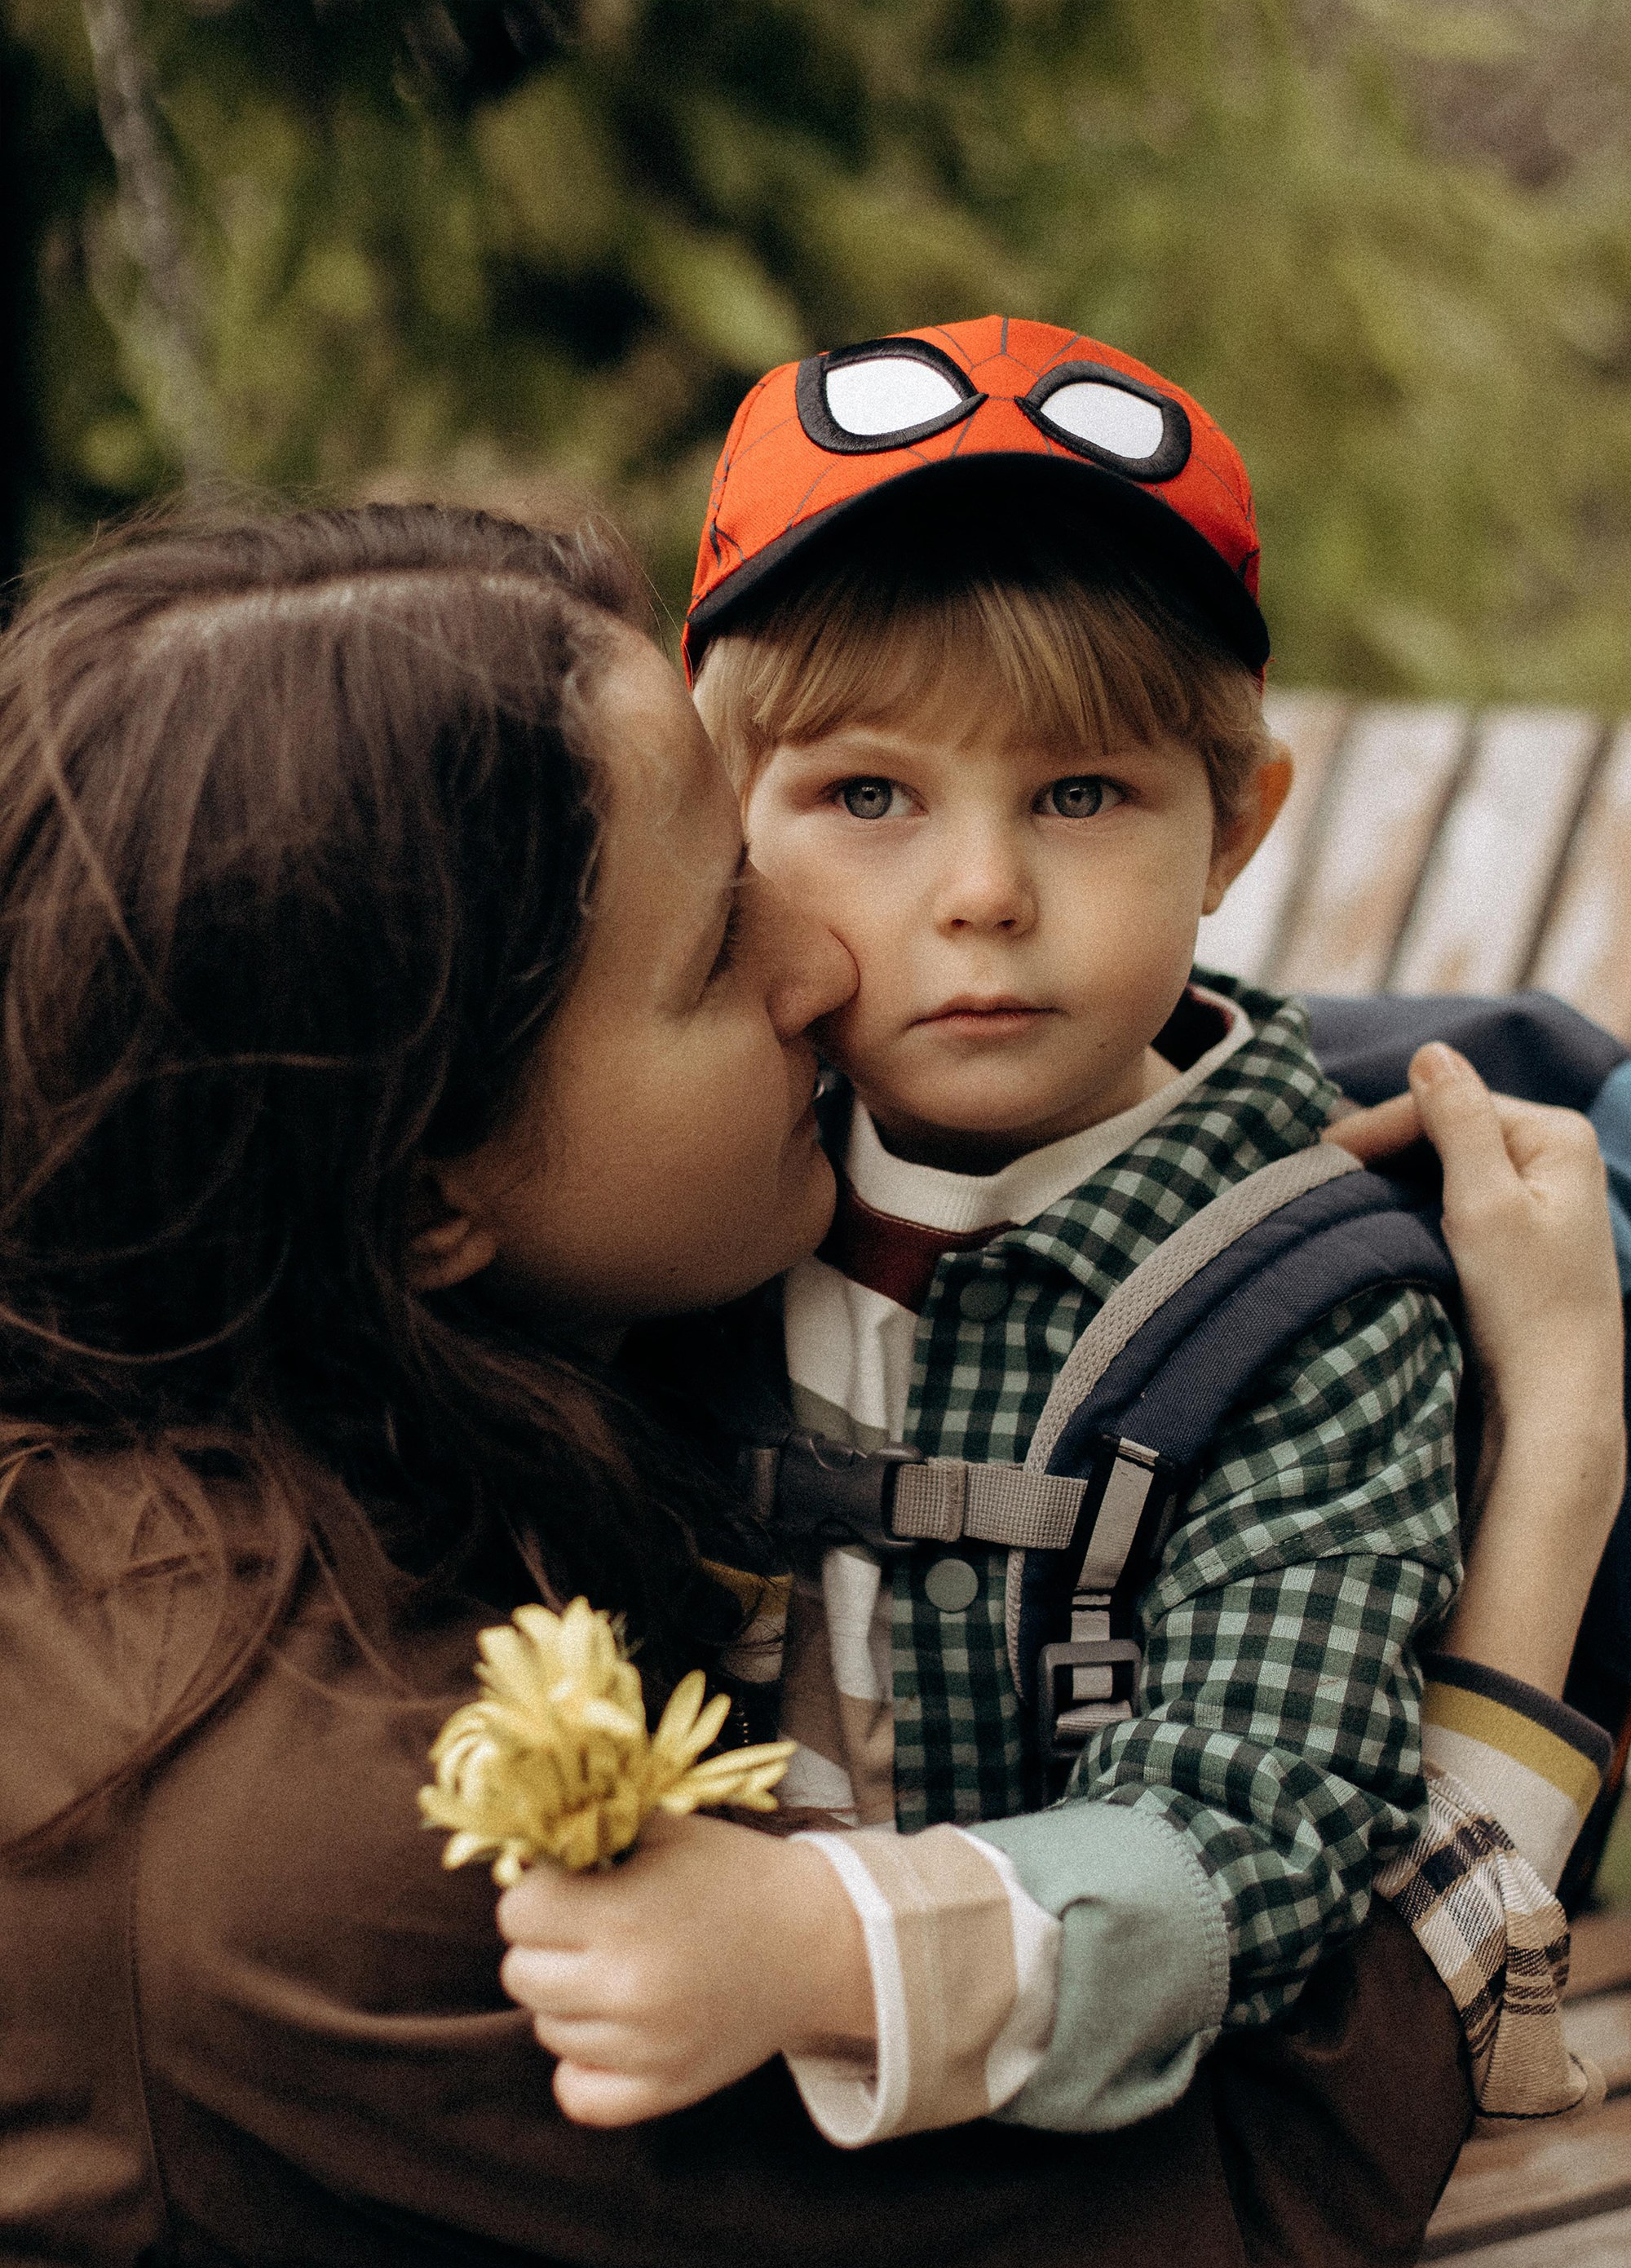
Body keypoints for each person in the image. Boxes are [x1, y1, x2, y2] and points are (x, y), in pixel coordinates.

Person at [0, 499, 1612, 2268]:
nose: (826, 972)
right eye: (710, 948)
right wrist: (1547, 1497)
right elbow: (1252, 2203)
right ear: (431, 1182)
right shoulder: (325, 1850)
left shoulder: (274, 1327)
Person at [498, 319, 1617, 2169]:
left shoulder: (1303, 1307)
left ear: (1231, 832)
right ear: (723, 818)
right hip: (694, 2109)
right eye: (868, 797)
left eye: (1080, 795)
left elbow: (1259, 1826)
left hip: (1142, 2148)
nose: (984, 892)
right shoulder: (690, 1198)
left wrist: (812, 1944)